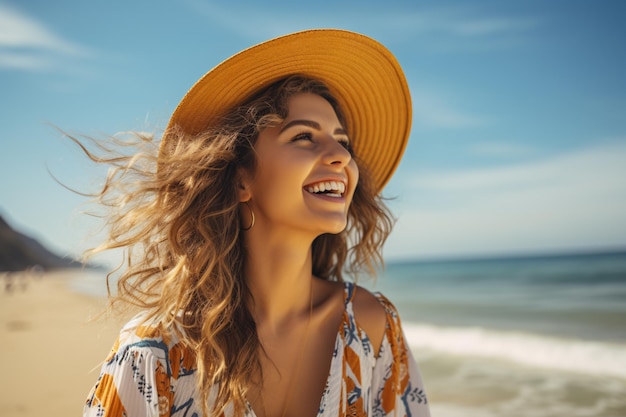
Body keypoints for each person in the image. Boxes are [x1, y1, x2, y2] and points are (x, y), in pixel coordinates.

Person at [82, 29, 430, 417]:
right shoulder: (154, 352)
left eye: (342, 142)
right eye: (303, 137)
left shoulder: (371, 326)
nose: (340, 157)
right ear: (240, 179)